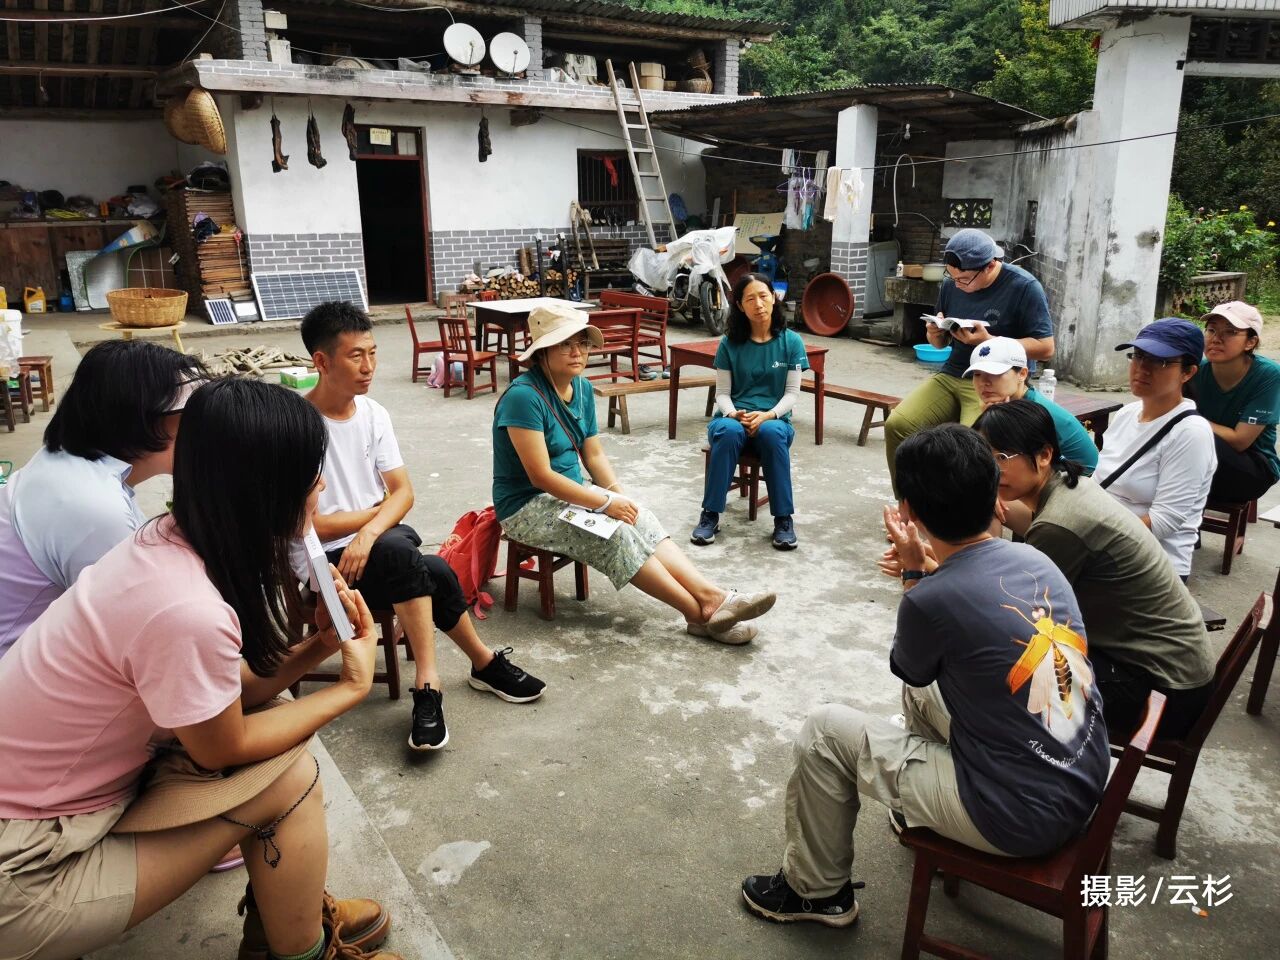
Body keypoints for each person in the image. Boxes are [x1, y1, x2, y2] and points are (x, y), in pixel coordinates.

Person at [0, 378, 406, 960]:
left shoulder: (165, 542)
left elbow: (227, 694)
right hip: (26, 869)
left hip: (44, 810)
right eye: (311, 473)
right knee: (289, 780)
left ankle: (285, 914)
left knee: (276, 724)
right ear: (267, 492)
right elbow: (223, 746)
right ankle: (299, 947)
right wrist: (351, 686)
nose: (321, 485)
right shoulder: (186, 608)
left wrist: (320, 645)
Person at [741, 424, 1107, 928]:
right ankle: (923, 810)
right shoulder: (1035, 558)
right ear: (996, 496)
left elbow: (910, 664)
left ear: (908, 511)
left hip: (1013, 818)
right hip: (1078, 786)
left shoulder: (931, 599)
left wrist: (915, 575)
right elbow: (941, 650)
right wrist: (928, 572)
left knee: (825, 732)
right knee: (923, 694)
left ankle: (815, 891)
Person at [300, 301, 543, 754]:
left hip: (380, 546)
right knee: (420, 561)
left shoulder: (373, 414)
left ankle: (453, 675)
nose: (369, 366)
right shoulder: (296, 425)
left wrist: (369, 532)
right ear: (322, 361)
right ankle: (459, 675)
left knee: (410, 557)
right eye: (356, 356)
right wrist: (376, 516)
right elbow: (308, 525)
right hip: (327, 565)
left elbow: (404, 493)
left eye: (373, 353)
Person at [493, 302, 776, 645]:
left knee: (638, 515)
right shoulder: (523, 397)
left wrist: (617, 495)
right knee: (615, 535)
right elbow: (540, 476)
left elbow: (593, 454)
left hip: (572, 494)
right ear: (542, 351)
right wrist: (603, 503)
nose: (577, 352)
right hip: (527, 507)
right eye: (565, 344)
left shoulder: (581, 388)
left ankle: (712, 596)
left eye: (582, 342)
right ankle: (699, 614)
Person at [974, 399, 1214, 740]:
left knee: (997, 664)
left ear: (1043, 455)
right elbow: (1031, 523)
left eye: (1001, 458)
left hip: (1161, 693)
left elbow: (1014, 611)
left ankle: (1005, 764)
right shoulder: (1072, 486)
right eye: (984, 460)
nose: (991, 471)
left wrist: (934, 566)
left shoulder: (1060, 525)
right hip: (1175, 670)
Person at [0, 339, 206, 657]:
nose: (202, 428)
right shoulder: (94, 507)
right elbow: (143, 630)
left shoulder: (65, 460)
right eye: (190, 415)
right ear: (145, 419)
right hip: (18, 668)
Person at [883, 228, 1054, 494]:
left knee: (971, 447)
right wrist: (934, 335)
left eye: (964, 279)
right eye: (951, 277)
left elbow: (1046, 348)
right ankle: (909, 503)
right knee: (898, 424)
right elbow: (940, 344)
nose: (958, 284)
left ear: (990, 266)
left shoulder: (1024, 286)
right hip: (954, 372)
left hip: (997, 381)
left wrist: (990, 342)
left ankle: (969, 514)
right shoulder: (951, 285)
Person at [692, 272, 808, 550]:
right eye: (750, 299)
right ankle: (710, 515)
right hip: (734, 418)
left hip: (774, 419)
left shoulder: (792, 342)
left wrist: (768, 415)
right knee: (728, 432)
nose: (758, 304)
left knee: (771, 433)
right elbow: (722, 393)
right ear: (740, 306)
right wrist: (733, 414)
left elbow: (792, 393)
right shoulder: (728, 343)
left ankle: (783, 520)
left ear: (774, 298)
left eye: (763, 296)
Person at [1094, 318, 1216, 580]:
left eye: (1159, 361)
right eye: (1138, 356)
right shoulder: (1127, 414)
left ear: (1188, 372)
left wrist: (1092, 540)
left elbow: (1164, 521)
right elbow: (1097, 484)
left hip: (1150, 566)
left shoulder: (1191, 433)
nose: (1142, 368)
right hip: (1102, 548)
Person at [965, 336, 1097, 474]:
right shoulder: (1017, 401)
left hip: (1076, 476)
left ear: (1022, 374)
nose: (983, 382)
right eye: (977, 374)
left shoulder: (1028, 412)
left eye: (994, 373)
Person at [1194, 300, 1280, 503]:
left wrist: (1188, 418)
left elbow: (1240, 441)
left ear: (1250, 342)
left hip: (1253, 468)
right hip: (1205, 461)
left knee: (1190, 436)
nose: (1216, 339)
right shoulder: (1195, 370)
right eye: (1211, 330)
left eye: (1230, 332)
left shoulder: (1268, 375)